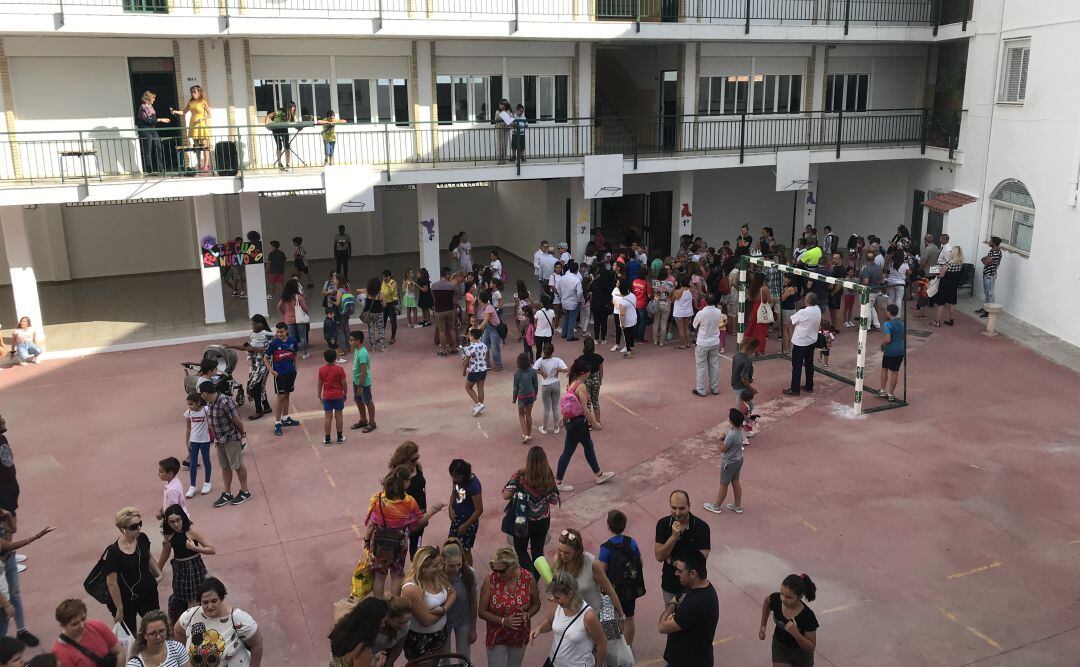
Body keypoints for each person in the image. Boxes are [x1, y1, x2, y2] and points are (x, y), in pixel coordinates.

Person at [365, 466, 444, 598]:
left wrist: (366, 541)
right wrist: (434, 509)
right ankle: (395, 604)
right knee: (397, 574)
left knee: (379, 575)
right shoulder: (409, 502)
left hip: (380, 543)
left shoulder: (379, 499)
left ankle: (379, 604)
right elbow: (420, 521)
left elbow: (371, 524)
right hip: (399, 544)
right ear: (405, 483)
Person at [555, 359, 614, 492]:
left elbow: (569, 405)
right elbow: (584, 408)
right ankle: (598, 474)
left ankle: (560, 480)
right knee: (586, 447)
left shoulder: (571, 383)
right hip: (579, 424)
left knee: (571, 450)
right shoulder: (581, 386)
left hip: (571, 423)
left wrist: (563, 418)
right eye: (588, 372)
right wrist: (595, 423)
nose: (589, 374)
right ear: (583, 373)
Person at [175, 577, 263, 667]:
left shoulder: (238, 619)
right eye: (205, 602)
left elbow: (257, 645)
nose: (210, 606)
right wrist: (184, 657)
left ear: (221, 598)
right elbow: (178, 631)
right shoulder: (190, 615)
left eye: (214, 601)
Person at [101, 507, 162, 633]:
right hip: (125, 599)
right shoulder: (114, 552)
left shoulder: (142, 538)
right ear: (123, 529)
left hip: (148, 593)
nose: (139, 528)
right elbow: (111, 583)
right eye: (134, 526)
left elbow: (148, 557)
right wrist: (119, 608)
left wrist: (159, 574)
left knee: (155, 627)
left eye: (140, 524)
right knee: (130, 635)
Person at [530, 570, 607, 667]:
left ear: (570, 593)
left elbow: (602, 643)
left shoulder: (588, 616)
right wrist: (539, 629)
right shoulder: (557, 605)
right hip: (554, 662)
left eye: (558, 597)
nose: (555, 600)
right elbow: (551, 621)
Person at [479, 546, 540, 667]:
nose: (497, 574)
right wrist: (503, 621)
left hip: (519, 635)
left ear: (513, 565)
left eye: (501, 571)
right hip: (497, 635)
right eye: (494, 569)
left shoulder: (528, 578)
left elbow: (536, 604)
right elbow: (481, 611)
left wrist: (527, 614)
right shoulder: (490, 580)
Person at [503, 447, 560, 574]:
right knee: (538, 553)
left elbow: (506, 495)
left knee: (521, 551)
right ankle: (539, 577)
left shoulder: (520, 476)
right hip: (543, 520)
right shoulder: (548, 477)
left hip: (522, 521)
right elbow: (555, 500)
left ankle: (530, 579)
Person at [0, 507, 51, 646]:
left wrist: (8, 515)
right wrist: (36, 537)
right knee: (4, 610)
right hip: (2, 565)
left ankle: (21, 631)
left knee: (14, 595)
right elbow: (8, 545)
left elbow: (12, 531)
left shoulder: (3, 515)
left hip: (7, 560)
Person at [659, 549, 719, 667]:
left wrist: (669, 613)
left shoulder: (697, 602)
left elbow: (662, 627)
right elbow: (676, 599)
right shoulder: (695, 586)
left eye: (680, 571)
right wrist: (673, 605)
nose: (676, 573)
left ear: (693, 573)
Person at [157, 504, 212, 627]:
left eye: (178, 520)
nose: (176, 524)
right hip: (180, 569)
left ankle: (194, 626)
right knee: (181, 596)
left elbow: (211, 549)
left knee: (194, 599)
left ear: (183, 518)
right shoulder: (169, 536)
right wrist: (157, 570)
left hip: (194, 568)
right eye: (171, 522)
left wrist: (195, 548)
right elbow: (165, 553)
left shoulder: (191, 533)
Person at [597, 510, 645, 647]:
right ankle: (628, 647)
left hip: (613, 590)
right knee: (629, 616)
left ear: (608, 525)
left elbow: (600, 571)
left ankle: (614, 647)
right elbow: (640, 563)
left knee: (611, 616)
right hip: (630, 588)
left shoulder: (606, 548)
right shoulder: (631, 542)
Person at [200, 382, 251, 508]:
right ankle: (227, 493)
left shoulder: (225, 401)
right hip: (219, 440)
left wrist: (241, 432)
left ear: (205, 393)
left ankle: (245, 491)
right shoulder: (210, 403)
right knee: (225, 466)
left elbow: (236, 419)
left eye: (201, 393)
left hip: (230, 438)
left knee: (237, 465)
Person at [654, 490, 711, 603]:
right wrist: (674, 536)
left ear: (689, 506)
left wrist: (672, 561)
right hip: (670, 584)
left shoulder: (702, 528)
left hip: (693, 586)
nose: (678, 513)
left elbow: (701, 560)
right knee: (671, 616)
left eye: (682, 508)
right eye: (674, 508)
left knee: (693, 618)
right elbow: (659, 556)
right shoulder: (663, 524)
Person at [400, 545, 455, 660]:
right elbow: (427, 620)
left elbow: (453, 593)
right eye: (435, 565)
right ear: (423, 567)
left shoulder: (436, 576)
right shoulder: (411, 589)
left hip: (440, 635)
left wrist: (442, 609)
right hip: (421, 641)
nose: (440, 568)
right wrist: (443, 610)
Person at [759, 573, 819, 667]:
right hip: (780, 647)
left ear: (799, 597)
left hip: (801, 654)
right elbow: (767, 602)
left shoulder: (807, 616)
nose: (783, 599)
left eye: (788, 597)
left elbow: (811, 647)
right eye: (782, 594)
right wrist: (763, 625)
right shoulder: (776, 599)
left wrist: (796, 633)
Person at [223, 315, 273, 420]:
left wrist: (252, 348)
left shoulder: (268, 335)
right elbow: (246, 347)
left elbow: (266, 350)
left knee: (253, 387)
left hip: (263, 364)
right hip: (254, 364)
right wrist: (231, 346)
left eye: (254, 324)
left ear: (261, 324)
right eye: (252, 324)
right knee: (260, 387)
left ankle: (259, 411)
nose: (253, 326)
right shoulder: (253, 334)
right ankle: (266, 407)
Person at [51, 599, 125, 666]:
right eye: (75, 624)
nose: (82, 625)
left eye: (83, 619)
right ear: (63, 625)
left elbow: (119, 652)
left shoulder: (97, 626)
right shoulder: (59, 651)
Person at [328, 596, 396, 667]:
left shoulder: (343, 629)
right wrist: (378, 664)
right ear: (371, 624)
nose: (383, 625)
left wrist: (372, 658)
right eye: (381, 622)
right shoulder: (361, 650)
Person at [441, 538, 478, 660]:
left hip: (463, 621)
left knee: (464, 656)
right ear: (443, 561)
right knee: (444, 658)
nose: (456, 569)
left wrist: (473, 628)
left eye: (459, 564)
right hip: (442, 623)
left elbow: (473, 602)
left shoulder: (469, 574)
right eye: (452, 565)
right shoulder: (437, 576)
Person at [704, 409, 746, 514]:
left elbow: (723, 448)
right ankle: (737, 505)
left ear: (731, 421)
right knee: (735, 482)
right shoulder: (740, 430)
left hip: (729, 462)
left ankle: (716, 506)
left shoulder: (731, 435)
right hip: (738, 459)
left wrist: (722, 439)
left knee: (724, 484)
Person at [263, 322, 300, 437]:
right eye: (277, 332)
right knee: (280, 397)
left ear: (286, 331)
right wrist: (271, 371)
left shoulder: (292, 341)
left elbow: (295, 355)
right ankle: (277, 423)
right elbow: (265, 358)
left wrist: (296, 369)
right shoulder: (274, 343)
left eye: (281, 332)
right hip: (280, 375)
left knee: (287, 395)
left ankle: (285, 418)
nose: (279, 334)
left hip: (290, 373)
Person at [783, 293, 821, 397]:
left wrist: (790, 329)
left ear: (807, 301)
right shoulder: (818, 309)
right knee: (809, 364)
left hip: (801, 342)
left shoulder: (803, 312)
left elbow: (790, 320)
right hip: (812, 340)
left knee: (797, 366)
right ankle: (809, 386)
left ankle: (795, 389)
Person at [447, 459, 483, 565]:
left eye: (457, 477)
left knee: (465, 549)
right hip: (457, 519)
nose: (454, 479)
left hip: (468, 521)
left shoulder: (474, 486)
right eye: (452, 476)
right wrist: (450, 508)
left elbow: (479, 510)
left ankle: (469, 574)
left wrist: (466, 525)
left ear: (465, 475)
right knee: (452, 545)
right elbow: (454, 493)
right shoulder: (458, 480)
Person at [691, 294, 726, 397]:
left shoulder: (701, 313)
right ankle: (714, 388)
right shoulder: (718, 312)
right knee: (713, 365)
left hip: (703, 342)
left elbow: (694, 325)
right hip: (715, 341)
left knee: (701, 366)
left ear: (705, 301)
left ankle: (701, 389)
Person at [171, 85, 211, 172]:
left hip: (201, 125)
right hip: (193, 124)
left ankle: (206, 165)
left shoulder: (203, 102)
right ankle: (199, 164)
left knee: (205, 146)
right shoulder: (190, 102)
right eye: (191, 92)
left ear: (199, 93)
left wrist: (202, 118)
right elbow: (184, 112)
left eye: (194, 92)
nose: (193, 94)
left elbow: (209, 114)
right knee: (196, 146)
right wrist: (175, 111)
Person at [534, 342, 567, 436]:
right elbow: (566, 369)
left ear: (544, 351)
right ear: (553, 351)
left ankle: (544, 428)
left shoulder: (540, 360)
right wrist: (558, 370)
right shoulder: (557, 360)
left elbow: (534, 369)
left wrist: (541, 373)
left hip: (545, 385)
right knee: (555, 407)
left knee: (546, 408)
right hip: (555, 383)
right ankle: (556, 427)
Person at [316, 348, 348, 445]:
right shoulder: (340, 369)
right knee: (339, 416)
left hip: (327, 396)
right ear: (335, 358)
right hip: (338, 395)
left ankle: (327, 438)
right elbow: (344, 383)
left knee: (327, 417)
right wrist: (345, 393)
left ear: (325, 358)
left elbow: (319, 384)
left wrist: (319, 396)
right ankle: (339, 437)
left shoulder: (321, 370)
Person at [135, 91, 171, 175]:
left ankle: (160, 168)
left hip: (153, 129)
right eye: (153, 98)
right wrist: (161, 119)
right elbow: (148, 120)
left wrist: (160, 119)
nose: (154, 99)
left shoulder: (151, 106)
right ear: (148, 98)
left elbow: (152, 119)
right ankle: (149, 170)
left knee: (158, 147)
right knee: (148, 149)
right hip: (145, 129)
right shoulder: (143, 107)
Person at [932, 245, 964, 327]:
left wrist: (937, 273)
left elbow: (941, 275)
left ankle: (937, 322)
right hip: (953, 286)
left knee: (941, 304)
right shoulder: (960, 263)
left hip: (944, 285)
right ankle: (951, 320)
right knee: (952, 303)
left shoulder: (948, 263)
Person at [462, 327, 491, 416]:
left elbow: (466, 361)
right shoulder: (484, 345)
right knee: (480, 388)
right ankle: (480, 408)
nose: (469, 337)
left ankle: (478, 405)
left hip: (474, 370)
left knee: (468, 387)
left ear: (472, 336)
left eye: (469, 335)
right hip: (483, 369)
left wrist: (464, 371)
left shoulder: (470, 348)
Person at [278, 279, 310, 360]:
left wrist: (284, 313)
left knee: (291, 338)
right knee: (303, 337)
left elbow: (279, 306)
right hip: (300, 319)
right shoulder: (298, 296)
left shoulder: (285, 297)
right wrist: (306, 314)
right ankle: (305, 354)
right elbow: (305, 308)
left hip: (289, 320)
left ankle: (292, 354)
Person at [880, 304, 905, 401]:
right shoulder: (902, 323)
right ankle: (891, 393)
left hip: (890, 351)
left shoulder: (887, 324)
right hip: (900, 350)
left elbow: (888, 339)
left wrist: (881, 344)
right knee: (895, 372)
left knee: (884, 369)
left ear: (889, 313)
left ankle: (882, 390)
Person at [578, 337, 605, 427]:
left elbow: (579, 372)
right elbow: (601, 371)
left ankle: (589, 423)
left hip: (586, 381)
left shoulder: (581, 359)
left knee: (587, 402)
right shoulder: (598, 358)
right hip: (595, 379)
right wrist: (600, 380)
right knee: (595, 400)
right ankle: (598, 421)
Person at [513, 352, 539, 444]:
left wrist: (514, 398)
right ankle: (528, 433)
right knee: (528, 414)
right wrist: (535, 394)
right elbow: (535, 384)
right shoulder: (532, 371)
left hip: (521, 396)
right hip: (531, 395)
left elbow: (516, 387)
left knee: (521, 415)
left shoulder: (517, 372)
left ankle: (525, 435)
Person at [432, 267, 458, 357]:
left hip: (439, 310)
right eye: (449, 274)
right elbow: (455, 295)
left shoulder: (434, 285)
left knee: (442, 331)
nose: (450, 276)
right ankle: (454, 349)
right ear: (446, 274)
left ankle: (443, 351)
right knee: (452, 329)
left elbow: (434, 298)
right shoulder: (451, 285)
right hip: (450, 309)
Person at [265, 101, 296, 171]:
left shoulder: (291, 114)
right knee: (279, 146)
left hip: (284, 129)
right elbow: (268, 116)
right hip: (276, 129)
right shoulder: (281, 111)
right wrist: (267, 126)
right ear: (289, 107)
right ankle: (279, 164)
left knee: (287, 146)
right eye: (293, 107)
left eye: (294, 107)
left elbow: (293, 123)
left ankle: (288, 164)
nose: (294, 108)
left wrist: (299, 127)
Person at [478, 289, 504, 371]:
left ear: (480, 299)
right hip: (489, 328)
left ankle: (498, 364)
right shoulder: (487, 306)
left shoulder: (488, 308)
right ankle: (487, 364)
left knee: (494, 346)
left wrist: (477, 330)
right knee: (485, 345)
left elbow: (485, 321)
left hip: (493, 329)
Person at [558, 262, 583, 341]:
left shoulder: (562, 278)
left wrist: (562, 298)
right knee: (572, 319)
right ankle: (570, 335)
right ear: (576, 270)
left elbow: (559, 290)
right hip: (573, 302)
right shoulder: (577, 280)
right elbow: (579, 293)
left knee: (566, 317)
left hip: (564, 301)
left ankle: (564, 333)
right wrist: (579, 301)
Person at [978, 236, 1003, 317]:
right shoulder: (992, 251)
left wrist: (985, 260)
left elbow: (986, 261)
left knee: (990, 293)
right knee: (987, 293)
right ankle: (986, 308)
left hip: (990, 275)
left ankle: (991, 312)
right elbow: (984, 259)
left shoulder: (996, 253)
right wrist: (985, 259)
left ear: (994, 243)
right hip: (986, 274)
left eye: (991, 241)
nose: (989, 242)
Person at [613, 286, 638, 358]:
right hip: (634, 317)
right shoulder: (632, 295)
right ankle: (632, 348)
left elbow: (622, 314)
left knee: (627, 336)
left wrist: (622, 324)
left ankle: (628, 351)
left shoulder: (623, 302)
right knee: (632, 334)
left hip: (627, 321)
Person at [671, 275, 694, 349]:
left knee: (681, 330)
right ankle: (687, 343)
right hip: (688, 312)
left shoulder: (677, 291)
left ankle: (682, 344)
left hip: (679, 313)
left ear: (680, 283)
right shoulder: (691, 290)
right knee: (687, 328)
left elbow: (672, 300)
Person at [533, 296, 556, 362]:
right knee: (548, 350)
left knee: (539, 351)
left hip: (539, 334)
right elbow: (553, 322)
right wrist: (553, 330)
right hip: (548, 334)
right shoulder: (552, 311)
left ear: (542, 303)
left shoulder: (538, 312)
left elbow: (534, 321)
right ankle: (548, 362)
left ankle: (538, 365)